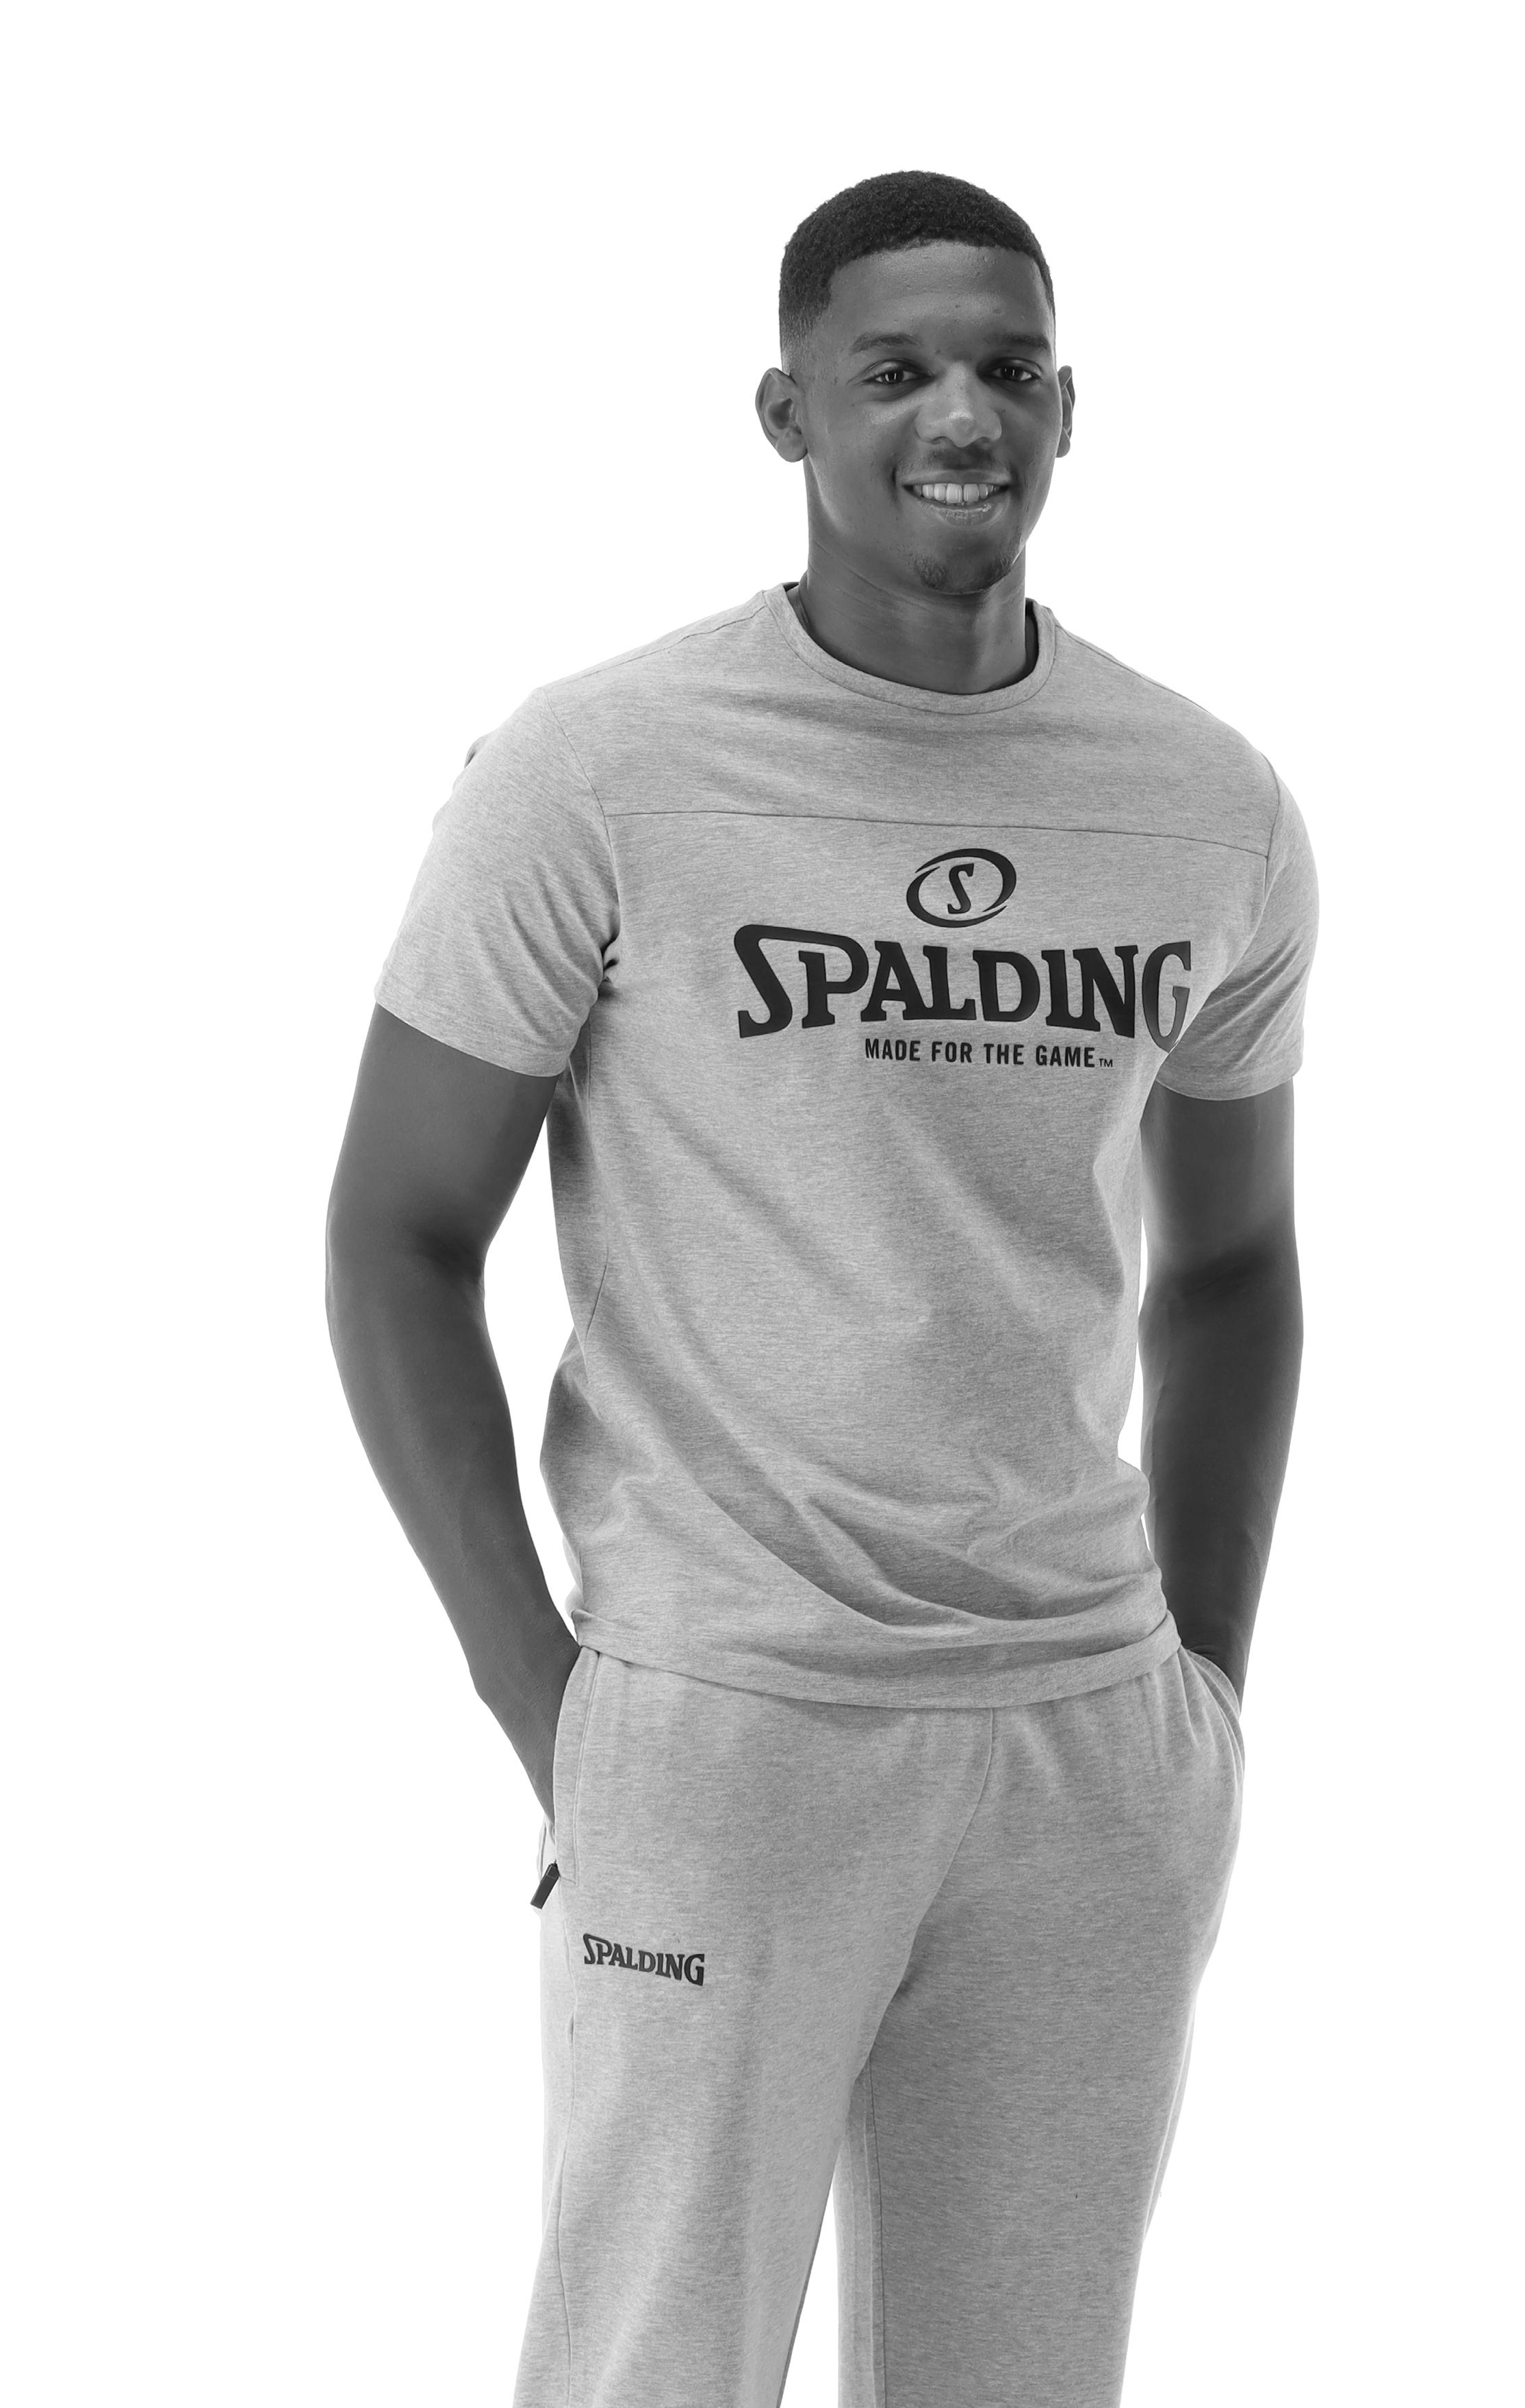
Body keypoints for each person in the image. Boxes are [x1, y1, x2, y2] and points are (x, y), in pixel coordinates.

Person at [326, 166, 1317, 2408]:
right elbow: (394, 1234)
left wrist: (1199, 1688)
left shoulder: (1206, 807)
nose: (961, 414)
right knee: (649, 2373)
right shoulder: (601, 771)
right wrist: (549, 1705)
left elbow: (1238, 1263)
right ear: (786, 413)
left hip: (1088, 1753)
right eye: (895, 371)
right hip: (725, 1725)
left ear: (1066, 407)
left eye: (1007, 367)